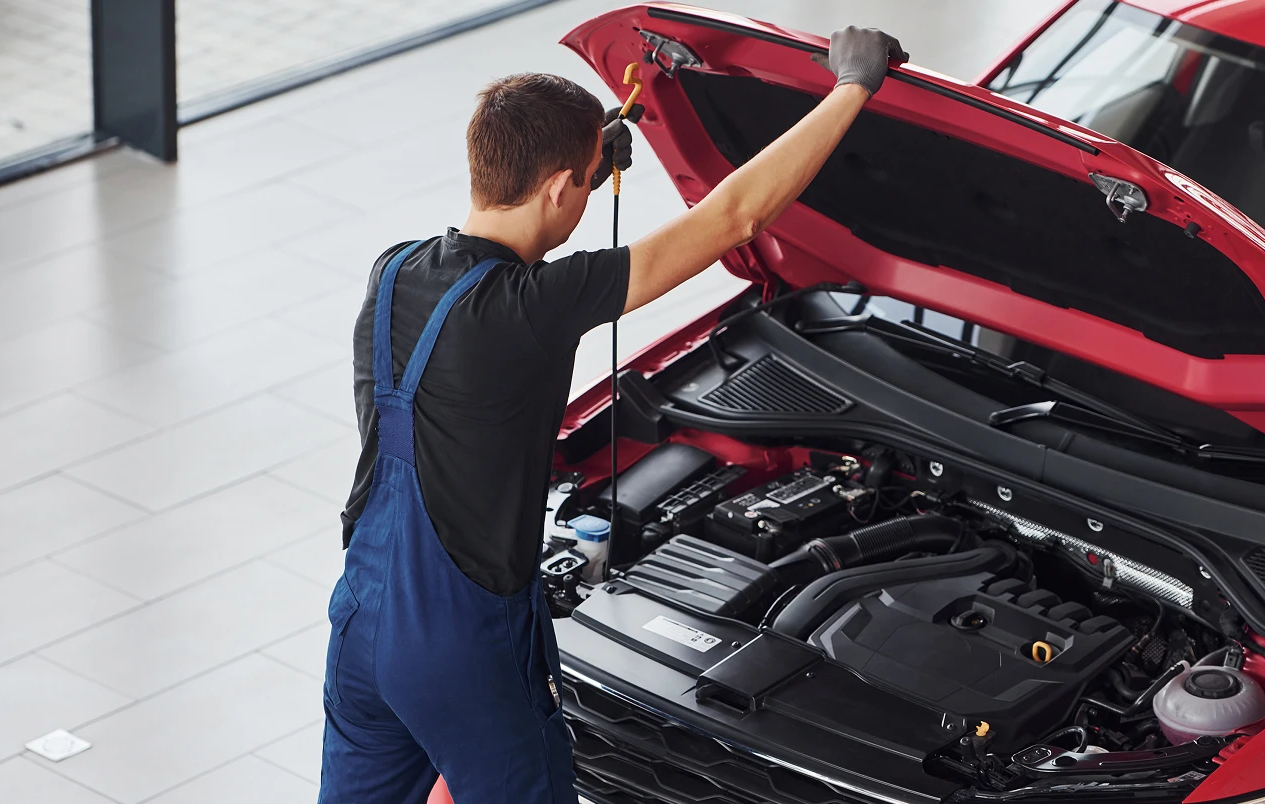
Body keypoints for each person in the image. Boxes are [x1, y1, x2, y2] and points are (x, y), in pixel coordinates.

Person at [319, 25, 908, 804]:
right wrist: (852, 87)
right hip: (458, 646)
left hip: (361, 615)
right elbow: (731, 219)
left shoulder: (391, 269)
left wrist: (585, 164)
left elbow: (494, 273)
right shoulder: (533, 306)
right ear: (562, 187)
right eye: (588, 182)